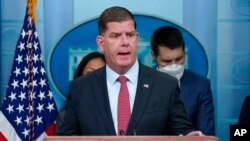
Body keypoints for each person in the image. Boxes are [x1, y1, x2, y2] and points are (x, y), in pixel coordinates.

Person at [57, 6, 203, 136]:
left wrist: (190, 136)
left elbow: (183, 132)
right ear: (101, 43)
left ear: (137, 39)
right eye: (116, 36)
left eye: (130, 35)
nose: (125, 42)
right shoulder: (81, 88)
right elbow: (66, 138)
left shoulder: (165, 85)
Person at [151, 26, 215, 135]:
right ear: (153, 55)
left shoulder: (201, 86)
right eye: (166, 61)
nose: (174, 66)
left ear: (184, 53)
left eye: (179, 59)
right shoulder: (140, 83)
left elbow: (206, 134)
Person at [56, 51, 105, 132]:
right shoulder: (65, 116)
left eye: (100, 73)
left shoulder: (118, 110)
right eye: (89, 73)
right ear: (80, 77)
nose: (94, 79)